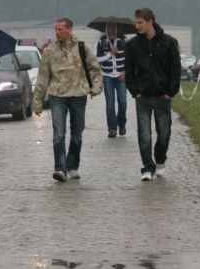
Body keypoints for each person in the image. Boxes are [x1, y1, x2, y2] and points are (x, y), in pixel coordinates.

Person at [32, 17, 102, 182]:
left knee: (77, 134)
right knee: (59, 134)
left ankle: (72, 166)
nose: (57, 32)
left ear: (69, 30)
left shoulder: (83, 48)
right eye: (55, 29)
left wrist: (96, 87)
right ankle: (60, 168)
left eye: (60, 29)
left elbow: (95, 69)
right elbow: (42, 78)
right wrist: (37, 102)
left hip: (78, 95)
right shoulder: (49, 51)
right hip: (57, 97)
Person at [124, 7, 181, 181]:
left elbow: (176, 68)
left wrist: (171, 91)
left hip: (163, 96)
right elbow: (129, 70)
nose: (136, 26)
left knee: (164, 133)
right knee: (144, 135)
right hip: (143, 97)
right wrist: (135, 91)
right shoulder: (132, 44)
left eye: (140, 22)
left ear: (150, 22)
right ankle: (148, 167)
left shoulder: (169, 42)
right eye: (136, 22)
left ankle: (160, 159)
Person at [95, 23, 128, 138]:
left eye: (114, 26)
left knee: (123, 102)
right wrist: (110, 54)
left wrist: (125, 72)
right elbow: (96, 58)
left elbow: (130, 58)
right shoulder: (101, 41)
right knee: (110, 104)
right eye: (109, 26)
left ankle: (122, 124)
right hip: (107, 75)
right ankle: (112, 128)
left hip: (121, 75)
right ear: (106, 28)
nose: (112, 28)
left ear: (117, 27)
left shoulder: (124, 40)